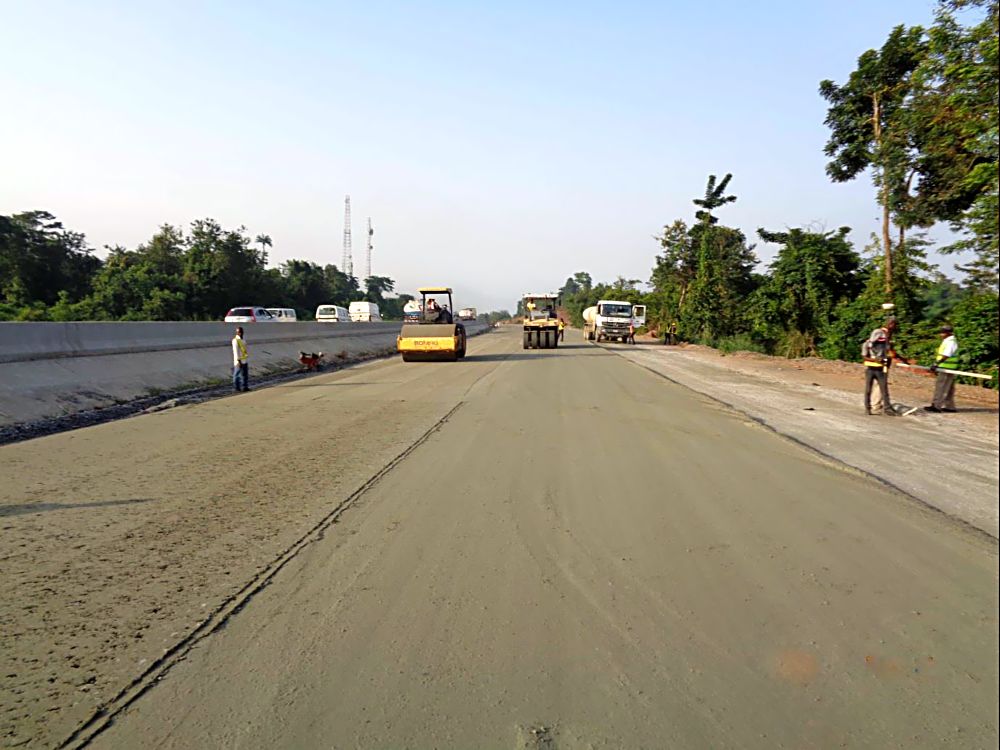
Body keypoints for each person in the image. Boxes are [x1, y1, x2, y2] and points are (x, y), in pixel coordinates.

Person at [862, 316, 898, 415]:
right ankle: (867, 407)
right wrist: (875, 358)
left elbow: (889, 351)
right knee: (868, 389)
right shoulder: (869, 343)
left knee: (884, 389)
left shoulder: (885, 341)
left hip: (881, 368)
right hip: (871, 368)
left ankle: (887, 408)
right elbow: (865, 355)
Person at [924, 324, 959, 413]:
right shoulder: (949, 340)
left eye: (943, 333)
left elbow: (946, 355)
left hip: (945, 368)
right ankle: (950, 406)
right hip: (948, 367)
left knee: (941, 387)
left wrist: (936, 364)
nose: (941, 334)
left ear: (948, 333)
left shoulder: (950, 342)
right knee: (950, 388)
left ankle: (936, 406)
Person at [232, 326, 249, 392]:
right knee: (237, 375)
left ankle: (245, 387)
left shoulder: (243, 340)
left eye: (241, 332)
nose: (240, 333)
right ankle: (237, 388)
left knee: (245, 374)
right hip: (239, 361)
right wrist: (238, 361)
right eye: (239, 332)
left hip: (244, 360)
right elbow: (236, 351)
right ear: (237, 333)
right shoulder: (235, 340)